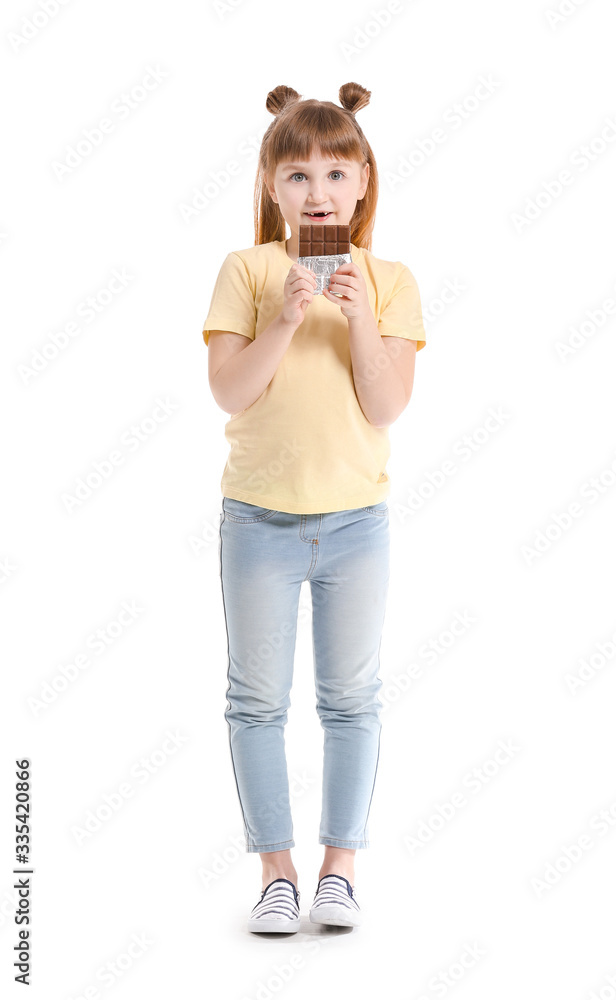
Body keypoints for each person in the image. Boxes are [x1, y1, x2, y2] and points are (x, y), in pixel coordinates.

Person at [202, 82, 426, 933]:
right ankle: (275, 874)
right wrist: (286, 321)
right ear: (271, 185)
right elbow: (230, 393)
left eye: (336, 172)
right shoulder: (249, 270)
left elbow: (386, 406)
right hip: (258, 520)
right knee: (256, 701)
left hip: (356, 525)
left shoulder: (392, 280)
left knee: (351, 699)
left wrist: (361, 318)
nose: (318, 191)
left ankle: (340, 867)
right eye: (297, 176)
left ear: (363, 182)